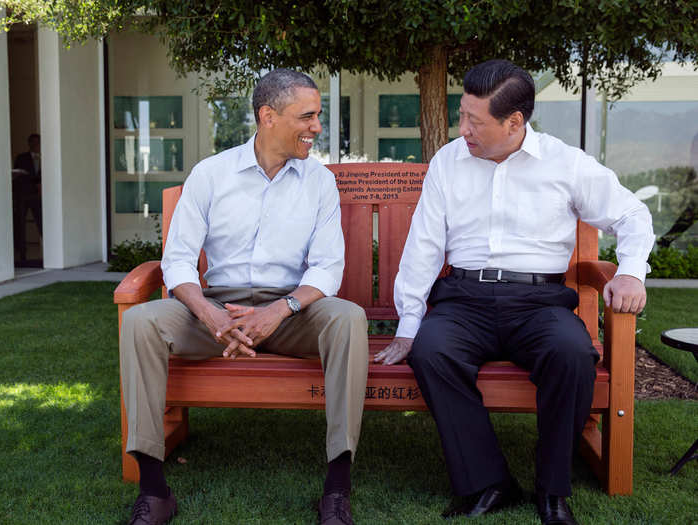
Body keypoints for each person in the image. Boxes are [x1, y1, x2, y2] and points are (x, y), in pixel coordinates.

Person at [375, 60, 654, 525]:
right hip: (464, 301)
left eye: (474, 121)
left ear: (514, 122)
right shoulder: (449, 160)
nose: (462, 129)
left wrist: (630, 273)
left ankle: (552, 492)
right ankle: (489, 482)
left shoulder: (565, 163)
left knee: (572, 353)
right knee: (431, 352)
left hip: (540, 304)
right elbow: (424, 245)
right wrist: (408, 325)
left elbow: (632, 215)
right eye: (461, 115)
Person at [120, 69, 368, 525]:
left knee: (348, 318)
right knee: (140, 321)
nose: (317, 127)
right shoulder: (211, 174)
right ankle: (154, 491)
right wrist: (209, 313)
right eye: (307, 116)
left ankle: (337, 489)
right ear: (268, 116)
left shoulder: (318, 181)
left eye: (318, 116)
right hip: (215, 310)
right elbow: (177, 261)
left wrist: (279, 310)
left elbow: (328, 267)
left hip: (292, 312)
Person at [12, 133, 42, 262]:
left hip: (38, 195)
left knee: (42, 221)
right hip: (24, 195)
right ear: (29, 143)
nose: (35, 145)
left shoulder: (46, 156)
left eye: (38, 142)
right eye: (33, 142)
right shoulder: (22, 157)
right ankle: (20, 251)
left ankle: (50, 249)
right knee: (20, 223)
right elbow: (17, 175)